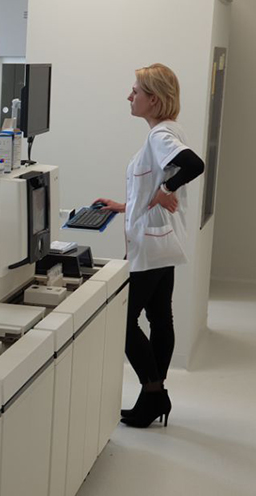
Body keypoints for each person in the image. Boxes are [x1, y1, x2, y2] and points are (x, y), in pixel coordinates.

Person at [95, 63, 204, 428]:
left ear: (153, 100)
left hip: (150, 245)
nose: (129, 96)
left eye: (136, 91)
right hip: (164, 241)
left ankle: (154, 393)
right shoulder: (169, 129)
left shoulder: (160, 136)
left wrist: (165, 189)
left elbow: (193, 165)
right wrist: (125, 205)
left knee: (123, 321)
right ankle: (153, 396)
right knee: (160, 317)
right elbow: (156, 181)